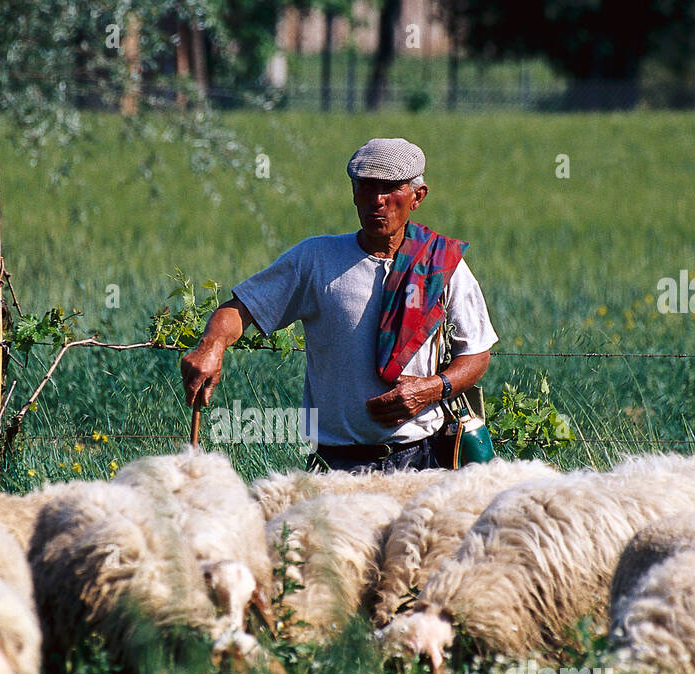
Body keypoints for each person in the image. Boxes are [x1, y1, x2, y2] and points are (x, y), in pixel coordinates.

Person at [180, 137, 497, 473]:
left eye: (391, 189)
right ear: (353, 193)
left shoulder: (439, 264)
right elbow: (240, 310)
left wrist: (433, 389)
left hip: (421, 461)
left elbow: (476, 354)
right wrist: (212, 344)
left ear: (418, 197)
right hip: (335, 464)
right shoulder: (316, 259)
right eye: (366, 188)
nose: (378, 200)